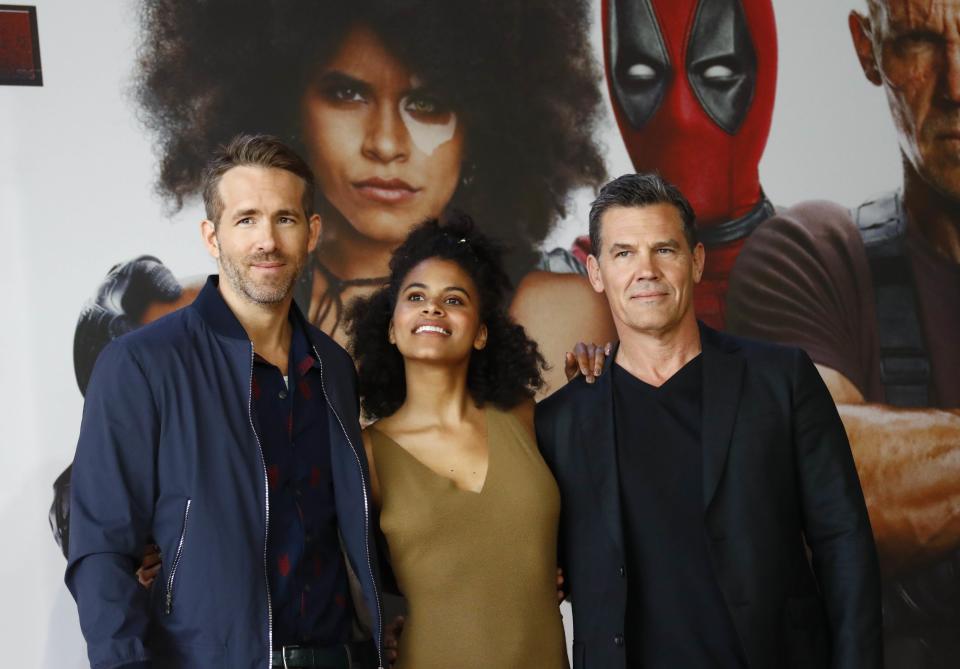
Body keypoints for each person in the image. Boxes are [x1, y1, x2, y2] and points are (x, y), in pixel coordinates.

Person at [536, 173, 882, 668]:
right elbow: (533, 565)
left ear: (696, 262)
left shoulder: (780, 380)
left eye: (665, 250)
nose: (646, 271)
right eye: (623, 253)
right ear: (595, 273)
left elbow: (843, 541)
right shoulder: (560, 422)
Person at [66, 134, 383, 669]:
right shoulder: (141, 364)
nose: (267, 241)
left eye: (285, 219)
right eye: (246, 220)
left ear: (312, 233)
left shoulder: (333, 367)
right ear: (212, 237)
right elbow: (101, 551)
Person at [726, 0, 960, 665]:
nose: (957, 86)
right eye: (919, 42)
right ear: (868, 49)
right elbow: (814, 482)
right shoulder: (813, 256)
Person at [347, 216, 568, 668]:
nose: (433, 308)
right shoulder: (366, 453)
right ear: (391, 327)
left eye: (454, 299)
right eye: (415, 297)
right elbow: (344, 579)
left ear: (482, 331)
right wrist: (379, 627)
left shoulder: (528, 420)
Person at [573, 0, 778, 329]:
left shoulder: (831, 266)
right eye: (641, 77)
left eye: (718, 75)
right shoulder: (570, 287)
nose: (680, 115)